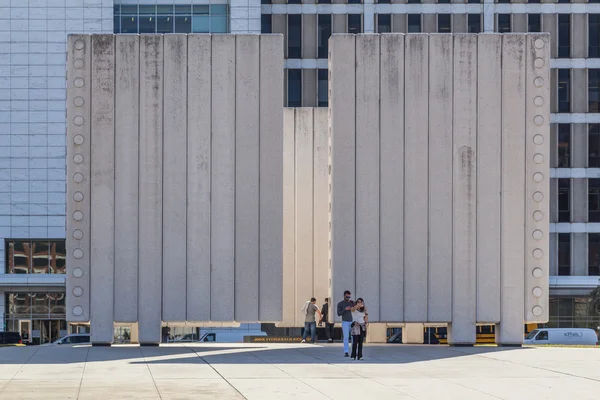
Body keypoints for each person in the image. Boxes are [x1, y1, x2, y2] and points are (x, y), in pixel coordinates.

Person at [337, 290, 354, 357]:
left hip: (352, 321)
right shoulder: (340, 304)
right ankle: (346, 351)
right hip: (345, 322)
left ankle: (354, 350)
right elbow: (338, 313)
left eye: (349, 297)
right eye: (347, 297)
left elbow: (356, 310)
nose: (348, 298)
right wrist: (345, 309)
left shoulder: (352, 303)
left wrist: (353, 308)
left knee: (353, 337)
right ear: (344, 296)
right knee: (346, 337)